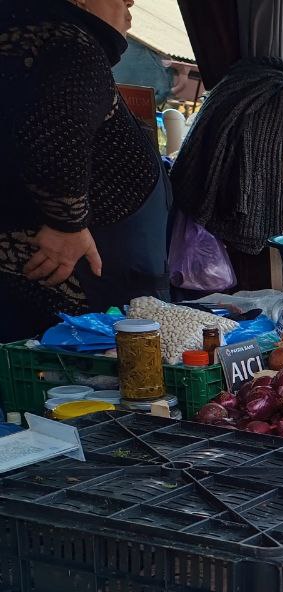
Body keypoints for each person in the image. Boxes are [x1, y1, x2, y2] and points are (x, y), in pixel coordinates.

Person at [0, 0, 170, 340]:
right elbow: (55, 125)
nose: (130, 2)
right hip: (66, 293)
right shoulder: (68, 43)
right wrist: (67, 224)